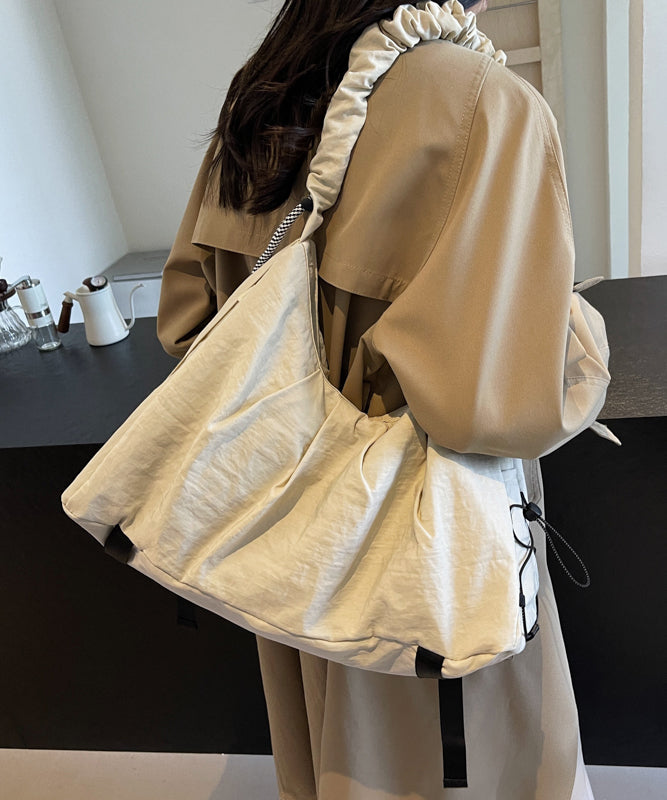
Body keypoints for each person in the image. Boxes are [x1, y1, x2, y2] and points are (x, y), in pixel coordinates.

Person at [157, 2, 610, 797]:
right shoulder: (485, 102)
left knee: (336, 737)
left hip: (286, 512)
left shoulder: (262, 99)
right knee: (466, 747)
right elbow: (492, 406)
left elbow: (188, 321)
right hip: (430, 531)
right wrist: (581, 339)